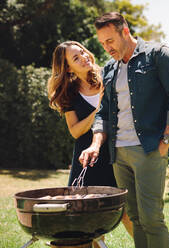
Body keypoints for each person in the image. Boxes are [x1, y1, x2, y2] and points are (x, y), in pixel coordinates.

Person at [79, 12, 169, 248]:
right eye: (102, 43)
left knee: (151, 218)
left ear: (125, 32)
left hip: (149, 149)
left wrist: (166, 141)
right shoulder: (110, 68)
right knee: (136, 217)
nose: (106, 48)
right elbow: (103, 112)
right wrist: (96, 144)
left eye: (110, 41)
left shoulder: (158, 55)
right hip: (119, 154)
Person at [47, 41, 133, 244]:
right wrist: (97, 111)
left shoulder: (108, 75)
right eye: (76, 58)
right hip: (88, 160)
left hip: (116, 154)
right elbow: (75, 131)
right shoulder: (68, 93)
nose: (84, 57)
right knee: (90, 220)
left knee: (128, 213)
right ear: (68, 68)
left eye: (83, 52)